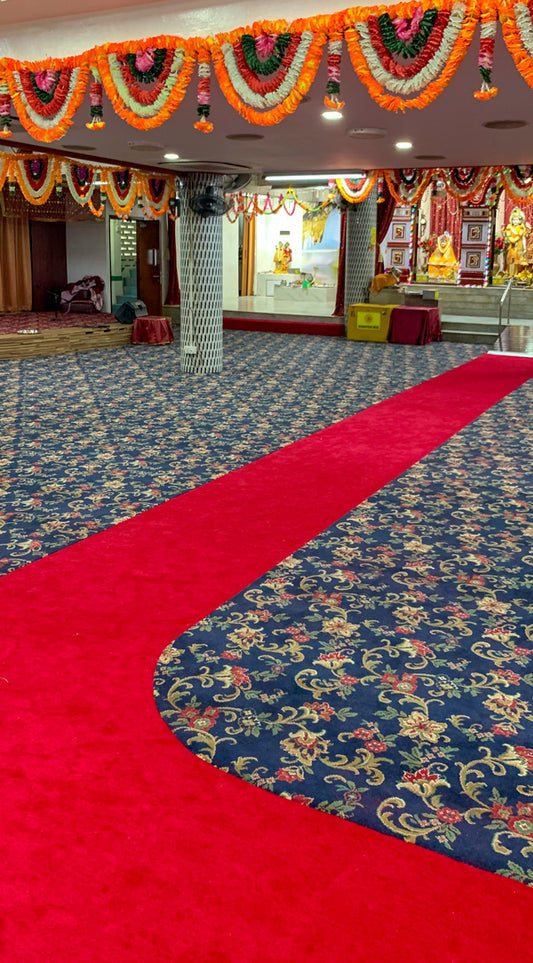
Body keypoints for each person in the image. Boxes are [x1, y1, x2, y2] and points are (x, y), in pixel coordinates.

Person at [504, 207, 531, 277]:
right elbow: (506, 236)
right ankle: (510, 273)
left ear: (520, 220)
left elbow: (525, 237)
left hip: (519, 246)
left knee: (518, 260)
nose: (515, 221)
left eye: (517, 220)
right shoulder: (509, 227)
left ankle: (517, 274)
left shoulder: (522, 228)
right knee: (510, 259)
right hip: (511, 247)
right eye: (514, 220)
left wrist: (525, 248)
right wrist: (502, 232)